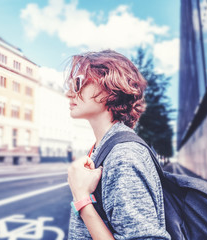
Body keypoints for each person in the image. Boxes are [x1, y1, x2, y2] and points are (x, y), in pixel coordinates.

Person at [65, 50, 171, 240]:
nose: (69, 93)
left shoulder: (124, 155)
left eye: (78, 83)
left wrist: (82, 198)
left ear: (110, 88)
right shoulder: (104, 149)